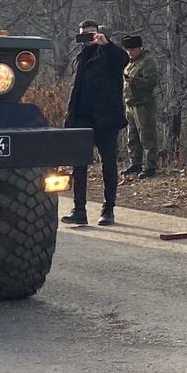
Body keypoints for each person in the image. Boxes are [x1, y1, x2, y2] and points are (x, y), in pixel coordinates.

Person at [62, 20, 129, 227]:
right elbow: (76, 90)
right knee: (79, 165)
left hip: (105, 118)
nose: (88, 38)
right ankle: (79, 209)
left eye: (91, 33)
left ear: (98, 33)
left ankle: (108, 210)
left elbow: (123, 60)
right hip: (82, 117)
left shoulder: (108, 54)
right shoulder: (79, 58)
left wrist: (106, 44)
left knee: (108, 164)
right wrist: (70, 118)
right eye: (83, 35)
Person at [121, 35, 159, 179]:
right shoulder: (129, 63)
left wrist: (134, 81)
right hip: (130, 103)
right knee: (132, 136)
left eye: (133, 49)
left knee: (146, 136)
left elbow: (151, 82)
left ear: (139, 48)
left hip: (143, 105)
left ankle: (150, 166)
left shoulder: (146, 62)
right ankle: (135, 162)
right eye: (128, 50)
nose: (130, 52)